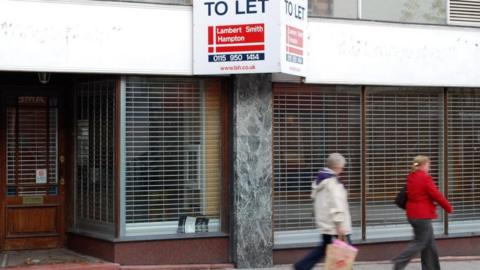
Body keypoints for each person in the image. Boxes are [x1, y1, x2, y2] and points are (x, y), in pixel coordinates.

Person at [392, 155, 453, 270]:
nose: (429, 167)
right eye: (428, 164)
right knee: (420, 242)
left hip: (413, 215)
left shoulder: (412, 176)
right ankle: (400, 261)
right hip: (422, 216)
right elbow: (437, 195)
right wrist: (448, 207)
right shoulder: (425, 178)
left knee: (430, 245)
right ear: (423, 165)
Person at [294, 153, 352, 270]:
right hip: (334, 225)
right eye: (341, 167)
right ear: (336, 167)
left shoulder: (321, 180)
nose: (342, 170)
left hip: (326, 224)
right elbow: (336, 204)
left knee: (326, 249)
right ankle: (301, 266)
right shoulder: (332, 183)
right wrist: (339, 224)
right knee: (345, 251)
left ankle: (301, 266)